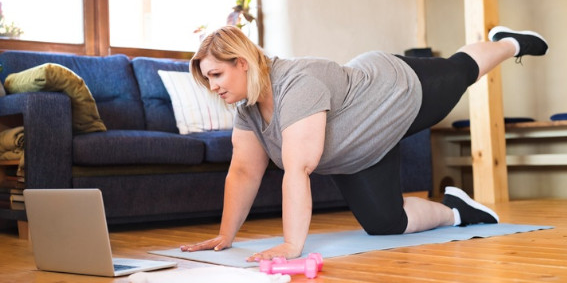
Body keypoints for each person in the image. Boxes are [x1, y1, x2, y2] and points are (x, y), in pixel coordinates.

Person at [179, 25, 548, 261]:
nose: (213, 87)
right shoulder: (247, 111)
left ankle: (508, 43)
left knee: (461, 71)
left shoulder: (298, 84)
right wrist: (225, 236)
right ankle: (458, 211)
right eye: (207, 79)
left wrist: (293, 246)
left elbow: (299, 169)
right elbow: (243, 171)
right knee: (387, 223)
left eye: (216, 74)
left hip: (396, 92)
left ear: (242, 62)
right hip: (361, 153)